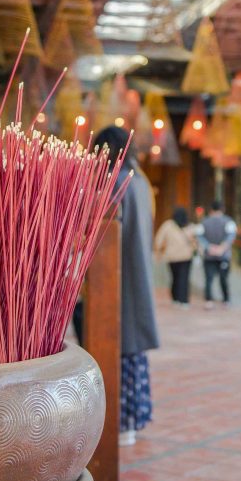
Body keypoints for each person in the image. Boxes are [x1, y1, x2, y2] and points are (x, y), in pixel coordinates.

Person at [93, 126, 161, 446]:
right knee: (131, 350)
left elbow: (106, 231)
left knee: (117, 347)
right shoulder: (141, 180)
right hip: (138, 273)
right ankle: (134, 418)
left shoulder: (116, 182)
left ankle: (122, 423)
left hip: (118, 276)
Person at [154, 206, 197, 307]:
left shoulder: (168, 225)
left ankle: (175, 298)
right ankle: (184, 300)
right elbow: (195, 242)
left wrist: (158, 252)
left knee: (175, 277)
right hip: (186, 256)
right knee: (184, 278)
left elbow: (158, 239)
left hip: (172, 257)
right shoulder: (190, 226)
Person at [199, 200, 236, 309]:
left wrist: (208, 247)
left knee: (208, 279)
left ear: (211, 210)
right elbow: (231, 236)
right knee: (223, 278)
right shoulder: (228, 221)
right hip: (223, 256)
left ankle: (208, 301)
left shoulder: (204, 221)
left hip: (209, 255)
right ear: (222, 209)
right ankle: (226, 299)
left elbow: (200, 236)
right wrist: (222, 247)